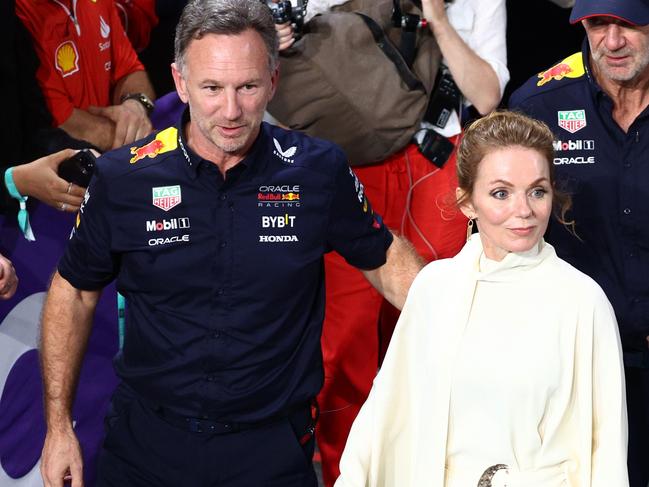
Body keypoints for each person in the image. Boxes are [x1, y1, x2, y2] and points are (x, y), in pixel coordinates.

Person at [37, 0, 424, 486]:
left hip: (270, 453)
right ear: (180, 83)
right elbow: (72, 291)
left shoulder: (317, 170)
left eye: (248, 87)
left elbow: (386, 259)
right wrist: (57, 428)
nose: (232, 110)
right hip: (146, 449)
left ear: (274, 81)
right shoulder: (123, 179)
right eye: (212, 88)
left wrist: (469, 328)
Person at [335, 110, 628, 487]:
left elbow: (607, 454)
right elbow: (383, 419)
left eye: (537, 191)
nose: (523, 211)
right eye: (501, 193)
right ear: (467, 203)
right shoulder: (434, 289)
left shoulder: (583, 302)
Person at [303, 1, 509, 484]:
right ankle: (344, 474)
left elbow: (486, 98)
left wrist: (437, 16)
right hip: (353, 160)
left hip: (438, 166)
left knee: (438, 330)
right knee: (345, 344)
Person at [508, 1, 649, 484]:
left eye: (628, 25)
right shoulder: (539, 105)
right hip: (577, 364)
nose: (611, 42)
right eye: (597, 25)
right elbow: (505, 233)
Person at [16, 0, 156, 152]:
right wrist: (132, 136)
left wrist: (135, 107)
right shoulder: (19, 15)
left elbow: (130, 70)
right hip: (62, 163)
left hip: (116, 154)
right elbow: (61, 121)